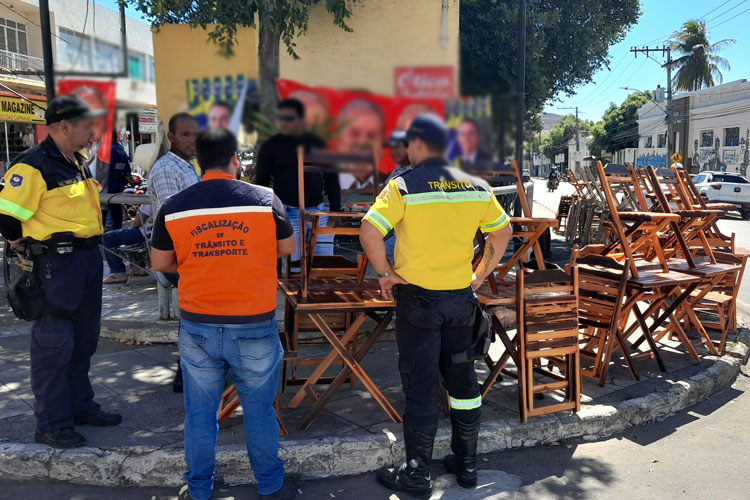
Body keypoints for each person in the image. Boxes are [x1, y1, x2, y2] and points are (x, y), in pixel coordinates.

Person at [359, 114, 512, 498]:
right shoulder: (476, 186)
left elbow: (369, 231)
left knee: (421, 385)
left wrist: (385, 273)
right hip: (462, 300)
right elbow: (504, 230)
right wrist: (479, 274)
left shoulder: (403, 185)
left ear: (416, 145)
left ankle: (416, 473)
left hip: (419, 303)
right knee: (463, 383)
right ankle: (467, 465)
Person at [150, 128, 297, 500]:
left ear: (198, 161)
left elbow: (160, 263)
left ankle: (198, 488)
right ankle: (270, 484)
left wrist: (201, 264)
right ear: (236, 160)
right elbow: (287, 247)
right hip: (253, 325)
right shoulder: (265, 200)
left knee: (200, 414)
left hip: (198, 325)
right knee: (260, 411)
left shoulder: (175, 206)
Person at [0, 94, 122, 448]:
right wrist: (19, 243)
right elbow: (7, 216)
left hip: (85, 259)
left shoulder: (75, 161)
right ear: (64, 127)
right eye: (87, 126)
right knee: (55, 344)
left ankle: (80, 406)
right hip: (56, 263)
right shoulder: (34, 165)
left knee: (84, 340)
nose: (92, 132)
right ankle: (52, 422)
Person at [149, 112, 200, 393]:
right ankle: (185, 374)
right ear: (171, 137)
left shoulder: (188, 165)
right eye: (185, 134)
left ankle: (190, 371)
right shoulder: (168, 168)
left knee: (195, 314)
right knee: (193, 316)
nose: (193, 139)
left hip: (191, 255)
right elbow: (174, 219)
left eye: (195, 134)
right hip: (181, 257)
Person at [255, 98, 341, 267]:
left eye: (289, 118)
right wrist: (265, 215)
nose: (284, 123)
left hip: (319, 212)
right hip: (288, 213)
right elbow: (262, 184)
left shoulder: (319, 143)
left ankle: (320, 294)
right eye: (281, 119)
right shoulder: (270, 146)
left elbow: (332, 177)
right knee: (294, 268)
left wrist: (336, 211)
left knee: (324, 265)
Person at [336, 99, 386, 190]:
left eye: (371, 136)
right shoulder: (321, 185)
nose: (363, 143)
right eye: (354, 134)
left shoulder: (389, 185)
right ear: (339, 139)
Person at [101, 204, 153, 284]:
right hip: (154, 233)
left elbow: (139, 220)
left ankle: (119, 273)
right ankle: (138, 266)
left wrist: (131, 228)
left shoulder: (151, 195)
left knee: (108, 237)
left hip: (145, 233)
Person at [383, 130, 411, 262]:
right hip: (400, 229)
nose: (394, 152)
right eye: (392, 148)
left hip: (412, 232)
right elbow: (385, 188)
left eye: (398, 147)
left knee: (382, 251)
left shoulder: (414, 170)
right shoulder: (399, 167)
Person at [104, 131, 132, 231]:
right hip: (118, 185)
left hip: (107, 185)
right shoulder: (121, 150)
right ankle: (117, 231)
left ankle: (101, 238)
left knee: (103, 211)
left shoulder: (108, 150)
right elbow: (128, 170)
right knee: (116, 210)